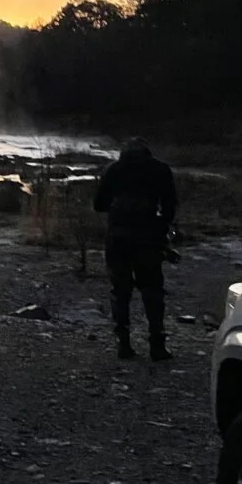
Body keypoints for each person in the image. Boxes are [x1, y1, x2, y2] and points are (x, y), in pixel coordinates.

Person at [93, 137, 177, 361]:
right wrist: (162, 226)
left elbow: (99, 204)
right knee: (152, 291)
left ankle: (124, 344)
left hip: (117, 237)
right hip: (148, 238)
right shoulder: (160, 170)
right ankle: (157, 345)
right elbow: (170, 207)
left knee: (120, 292)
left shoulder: (113, 169)